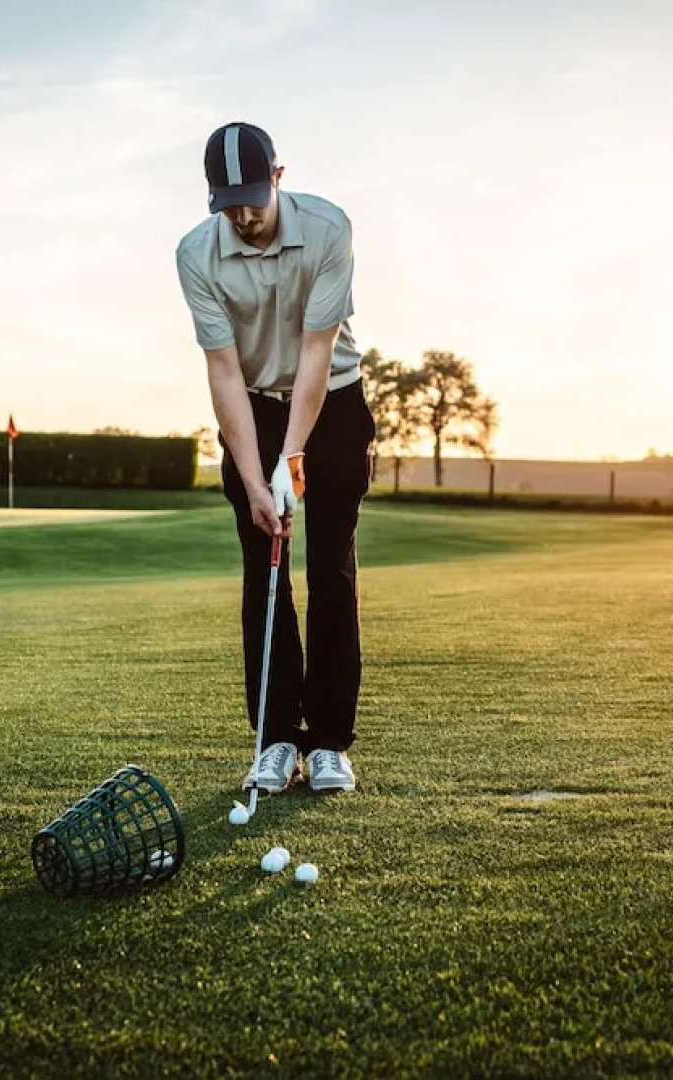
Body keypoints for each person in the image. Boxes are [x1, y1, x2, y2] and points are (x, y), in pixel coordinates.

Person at [175, 121, 373, 794]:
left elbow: (317, 352)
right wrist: (256, 479)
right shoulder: (196, 254)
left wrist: (289, 460)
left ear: (278, 178)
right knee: (264, 572)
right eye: (228, 204)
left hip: (333, 402)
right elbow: (224, 371)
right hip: (253, 408)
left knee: (331, 568)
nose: (243, 216)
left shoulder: (327, 228)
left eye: (253, 199)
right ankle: (275, 740)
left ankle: (329, 744)